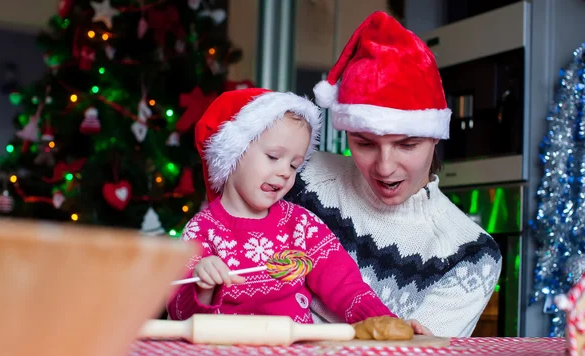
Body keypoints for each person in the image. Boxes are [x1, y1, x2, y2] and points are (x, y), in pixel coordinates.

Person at [285, 11, 502, 337]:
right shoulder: (301, 178)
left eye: (406, 145)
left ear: (435, 136)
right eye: (365, 144)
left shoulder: (470, 256)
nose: (385, 167)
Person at [166, 88, 430, 334]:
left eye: (294, 165)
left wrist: (386, 324)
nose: (284, 172)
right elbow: (179, 317)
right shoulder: (201, 231)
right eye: (273, 156)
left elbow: (346, 287)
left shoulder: (301, 225)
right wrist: (203, 286)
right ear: (233, 153)